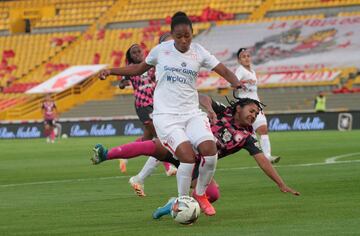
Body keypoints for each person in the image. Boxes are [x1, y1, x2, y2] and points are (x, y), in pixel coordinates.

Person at [96, 12, 242, 216]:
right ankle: (183, 200)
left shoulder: (199, 52)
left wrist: (235, 81)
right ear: (173, 34)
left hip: (191, 113)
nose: (184, 41)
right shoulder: (161, 51)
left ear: (192, 34)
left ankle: (199, 194)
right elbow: (138, 69)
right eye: (179, 36)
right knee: (187, 157)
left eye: (187, 36)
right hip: (166, 116)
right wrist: (111, 71)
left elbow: (223, 70)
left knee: (210, 150)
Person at [91, 94, 300, 218]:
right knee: (151, 146)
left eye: (256, 114)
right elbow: (202, 97)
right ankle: (106, 154)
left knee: (214, 195)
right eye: (252, 110)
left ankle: (173, 206)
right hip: (183, 146)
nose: (254, 115)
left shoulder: (247, 137)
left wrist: (280, 184)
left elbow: (263, 160)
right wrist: (209, 109)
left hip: (198, 166)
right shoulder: (223, 111)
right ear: (239, 107)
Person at [115, 41, 177, 178]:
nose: (137, 54)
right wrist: (123, 83)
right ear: (130, 56)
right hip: (142, 104)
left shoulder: (151, 65)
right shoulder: (130, 68)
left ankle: (123, 154)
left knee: (146, 139)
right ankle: (168, 167)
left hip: (156, 102)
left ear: (144, 52)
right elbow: (122, 82)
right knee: (159, 135)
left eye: (139, 51)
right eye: (134, 53)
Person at [235, 48, 280, 164]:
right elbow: (233, 84)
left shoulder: (252, 72)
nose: (246, 58)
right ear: (239, 60)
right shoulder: (240, 70)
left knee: (263, 129)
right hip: (245, 106)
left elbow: (254, 91)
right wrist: (244, 83)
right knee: (251, 134)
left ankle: (267, 156)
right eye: (243, 56)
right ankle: (261, 157)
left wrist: (259, 103)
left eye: (248, 56)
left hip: (256, 106)